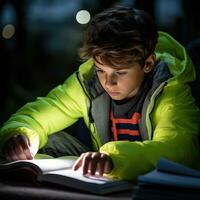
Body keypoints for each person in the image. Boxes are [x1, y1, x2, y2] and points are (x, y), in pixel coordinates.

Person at [0, 6, 199, 181]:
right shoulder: (89, 83)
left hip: (159, 187)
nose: (108, 82)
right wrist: (20, 134)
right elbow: (43, 112)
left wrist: (114, 159)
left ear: (147, 64)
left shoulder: (169, 87)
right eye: (101, 70)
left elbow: (175, 149)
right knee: (41, 139)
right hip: (105, 178)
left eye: (120, 72)